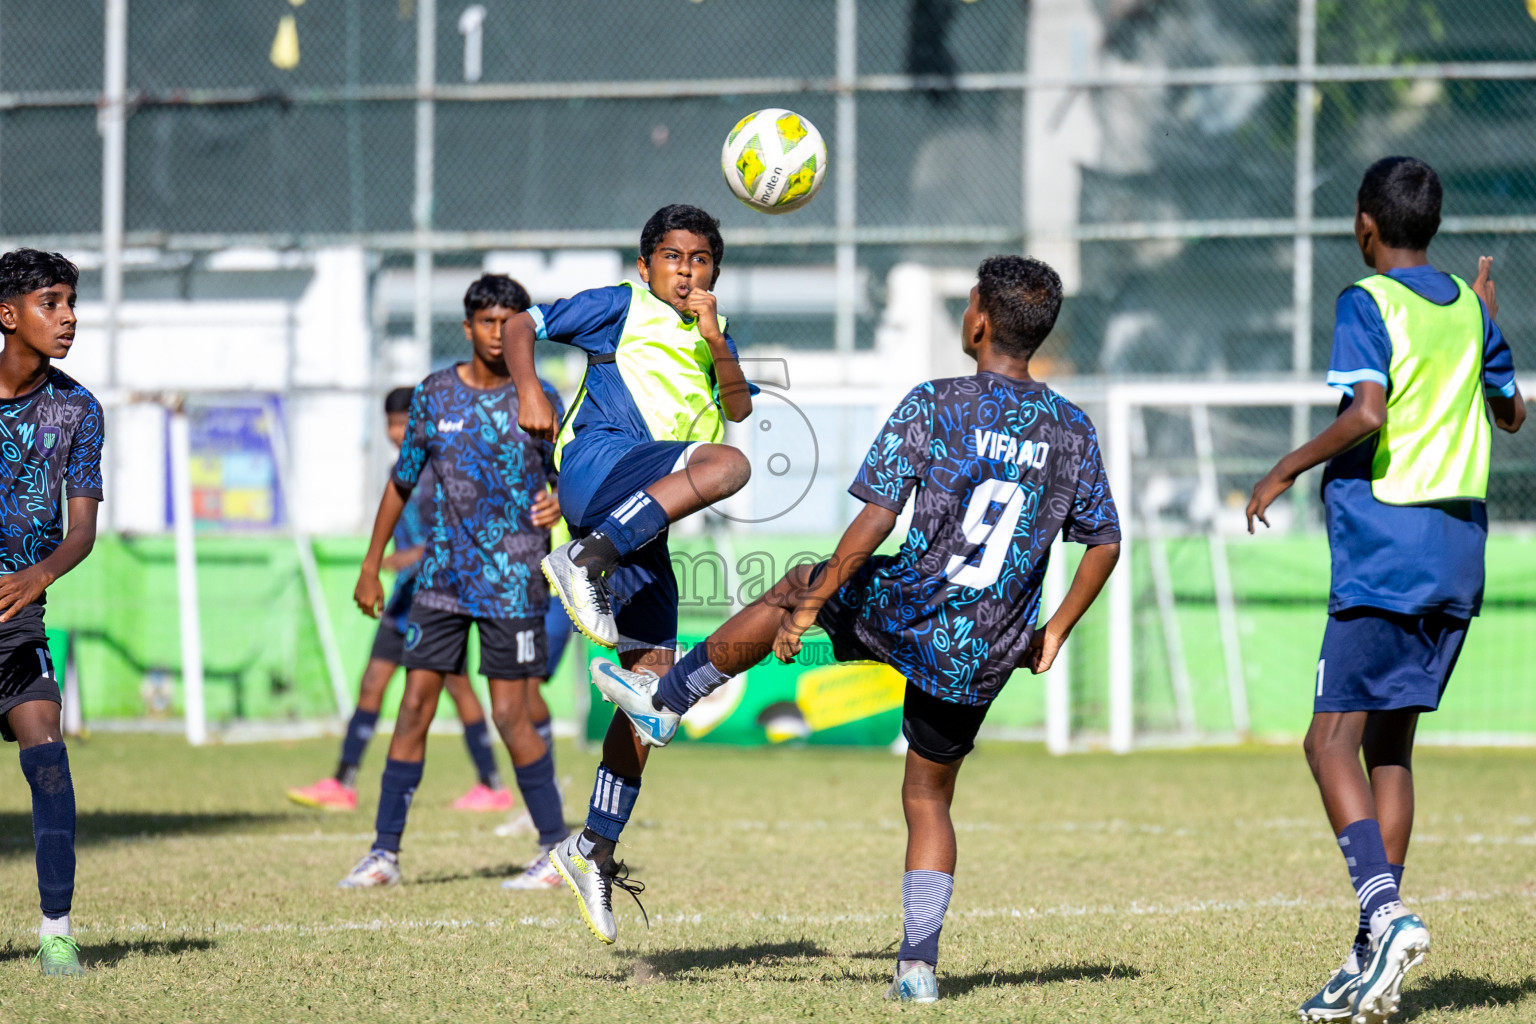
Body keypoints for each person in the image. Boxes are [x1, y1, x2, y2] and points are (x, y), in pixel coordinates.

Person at [574, 256, 1123, 1002]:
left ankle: (667, 699)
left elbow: (876, 516)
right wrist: (1055, 628)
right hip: (988, 641)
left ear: (980, 322)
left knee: (799, 584)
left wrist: (814, 601)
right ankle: (919, 969)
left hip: (913, 604)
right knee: (929, 798)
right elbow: (1104, 540)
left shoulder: (937, 401)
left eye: (967, 304)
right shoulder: (1073, 428)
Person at [1246, 156, 1524, 1024]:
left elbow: (1366, 411)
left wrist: (1284, 468)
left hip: (1387, 549)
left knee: (1327, 743)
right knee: (1390, 748)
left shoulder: (1366, 302)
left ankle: (1385, 911)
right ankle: (1372, 956)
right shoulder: (1468, 310)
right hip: (1457, 552)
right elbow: (1511, 414)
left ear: (1366, 222)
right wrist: (1484, 325)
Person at [501, 203, 754, 907]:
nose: (687, 270)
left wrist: (714, 338)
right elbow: (523, 322)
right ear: (646, 266)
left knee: (651, 698)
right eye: (673, 257)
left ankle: (591, 851)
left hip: (641, 524)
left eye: (701, 260)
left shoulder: (716, 333)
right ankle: (584, 561)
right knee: (729, 467)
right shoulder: (622, 306)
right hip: (599, 469)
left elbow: (738, 405)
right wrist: (527, 385)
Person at [339, 274, 570, 891]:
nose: (499, 334)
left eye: (510, 322)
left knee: (510, 715)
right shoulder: (434, 395)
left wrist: (561, 508)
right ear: (467, 328)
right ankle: (383, 853)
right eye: (488, 322)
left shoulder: (542, 397)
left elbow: (573, 480)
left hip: (515, 581)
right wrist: (371, 563)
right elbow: (403, 479)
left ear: (524, 328)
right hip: (441, 581)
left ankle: (554, 849)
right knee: (412, 706)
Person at [286, 387, 514, 814]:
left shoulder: (448, 468)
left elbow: (469, 532)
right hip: (404, 597)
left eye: (402, 424)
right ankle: (343, 782)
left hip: (442, 597)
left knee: (457, 687)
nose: (395, 433)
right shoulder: (402, 467)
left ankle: (492, 785)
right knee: (372, 683)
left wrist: (414, 555)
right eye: (389, 424)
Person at [0, 249, 104, 976]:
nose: (67, 317)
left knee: (50, 760)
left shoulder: (78, 408)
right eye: (50, 303)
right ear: (8, 315)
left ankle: (57, 932)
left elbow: (83, 531)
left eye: (70, 302)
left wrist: (38, 574)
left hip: (21, 623)